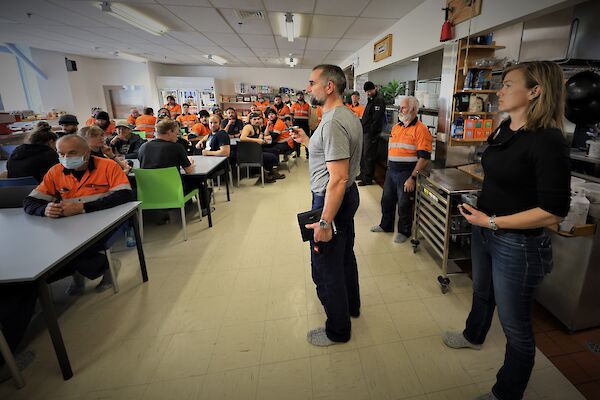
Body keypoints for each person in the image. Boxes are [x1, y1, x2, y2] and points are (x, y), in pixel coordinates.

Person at [443, 61, 571, 400]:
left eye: (507, 84)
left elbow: (553, 211)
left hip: (517, 244)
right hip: (485, 229)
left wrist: (493, 221)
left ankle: (506, 393)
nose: (498, 91)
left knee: (516, 328)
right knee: (482, 292)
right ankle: (473, 335)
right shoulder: (503, 128)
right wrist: (483, 214)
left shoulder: (548, 141)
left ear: (534, 91)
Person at [290, 64, 362, 347]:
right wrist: (309, 142)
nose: (309, 88)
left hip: (332, 200)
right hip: (347, 196)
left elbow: (338, 177)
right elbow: (333, 159)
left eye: (312, 83)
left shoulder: (332, 122)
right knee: (345, 257)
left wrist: (323, 223)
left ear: (329, 86)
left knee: (327, 265)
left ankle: (338, 330)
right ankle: (351, 307)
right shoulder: (346, 115)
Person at [23, 134, 133, 294]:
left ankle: (104, 267)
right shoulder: (55, 172)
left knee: (80, 248)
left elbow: (124, 195)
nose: (65, 158)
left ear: (87, 152)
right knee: (51, 245)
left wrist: (83, 207)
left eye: (72, 153)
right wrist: (44, 209)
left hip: (106, 220)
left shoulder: (108, 166)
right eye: (61, 154)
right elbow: (30, 201)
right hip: (70, 224)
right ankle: (86, 270)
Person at [370, 96, 432, 243]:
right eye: (401, 107)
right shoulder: (396, 127)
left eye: (403, 107)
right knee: (386, 200)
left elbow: (424, 158)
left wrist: (412, 178)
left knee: (404, 204)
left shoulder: (421, 129)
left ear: (414, 110)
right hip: (391, 171)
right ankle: (386, 225)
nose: (400, 110)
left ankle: (404, 231)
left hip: (407, 172)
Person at [240, 113, 285, 182]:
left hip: (256, 149)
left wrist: (263, 140)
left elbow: (261, 136)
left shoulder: (258, 127)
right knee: (271, 156)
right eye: (254, 119)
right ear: (250, 120)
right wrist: (257, 140)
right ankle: (265, 175)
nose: (257, 121)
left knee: (274, 150)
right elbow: (242, 138)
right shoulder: (248, 127)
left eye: (258, 119)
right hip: (249, 153)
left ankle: (272, 171)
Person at [358, 81, 385, 186]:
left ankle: (367, 178)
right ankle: (363, 174)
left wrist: (372, 133)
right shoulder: (372, 99)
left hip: (371, 133)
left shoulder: (378, 100)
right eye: (366, 92)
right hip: (365, 132)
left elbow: (377, 119)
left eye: (369, 91)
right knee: (363, 155)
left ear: (374, 89)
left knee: (368, 156)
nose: (368, 93)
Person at [291, 91, 311, 158]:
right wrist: (292, 124)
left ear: (303, 96)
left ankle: (308, 154)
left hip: (305, 123)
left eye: (301, 95)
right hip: (296, 123)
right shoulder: (293, 105)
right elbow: (291, 115)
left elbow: (310, 115)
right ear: (296, 96)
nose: (300, 96)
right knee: (296, 138)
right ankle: (297, 154)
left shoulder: (307, 105)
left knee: (307, 138)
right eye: (298, 95)